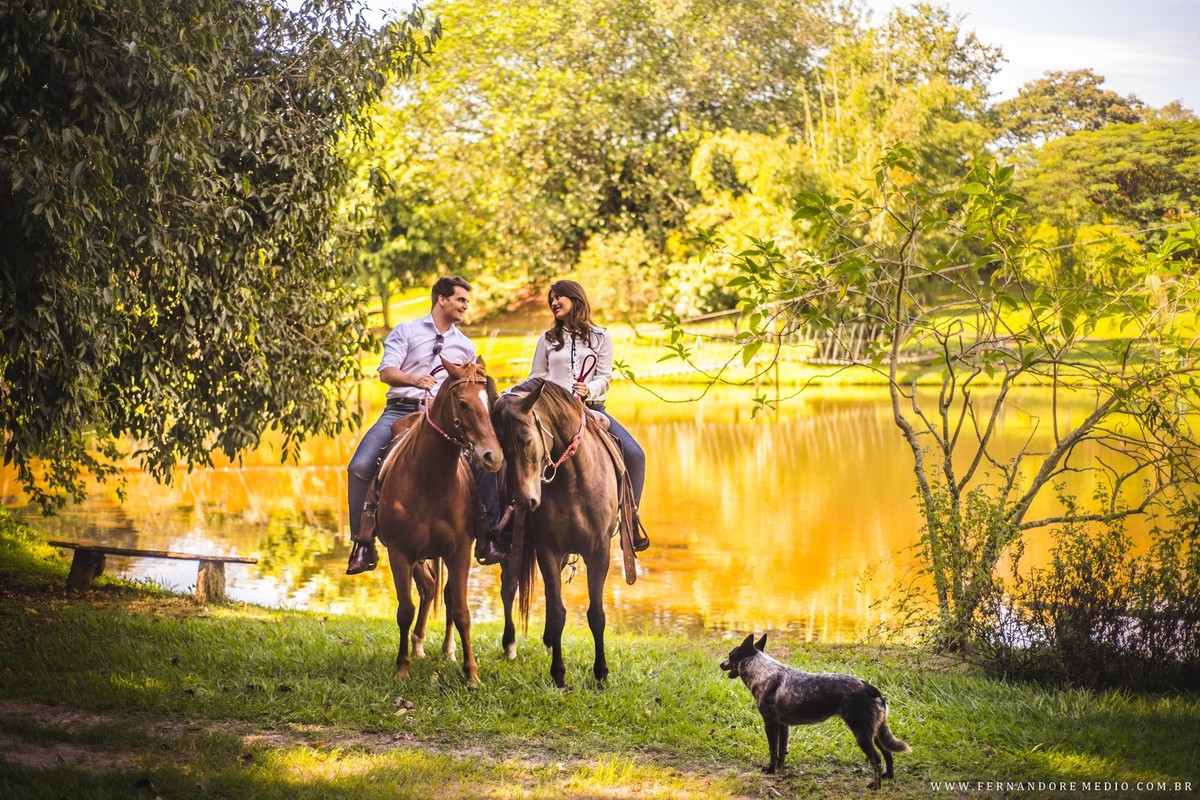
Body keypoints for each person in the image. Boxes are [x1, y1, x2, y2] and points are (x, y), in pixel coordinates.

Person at [345, 276, 505, 575]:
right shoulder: (406, 331)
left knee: (485, 462)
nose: (465, 306)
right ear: (442, 299)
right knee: (359, 466)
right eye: (460, 300)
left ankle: (489, 536)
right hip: (400, 411)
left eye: (467, 302)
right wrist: (414, 380)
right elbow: (386, 372)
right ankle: (362, 543)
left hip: (445, 422)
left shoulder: (465, 345)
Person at [517, 279, 649, 550]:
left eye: (559, 297)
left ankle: (630, 519)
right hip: (551, 414)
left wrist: (590, 388)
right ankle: (510, 522)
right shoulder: (547, 339)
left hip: (591, 409)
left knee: (636, 455)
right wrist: (513, 393)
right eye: (551, 299)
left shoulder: (601, 337)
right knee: (518, 452)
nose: (554, 302)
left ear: (575, 298)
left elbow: (605, 377)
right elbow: (537, 376)